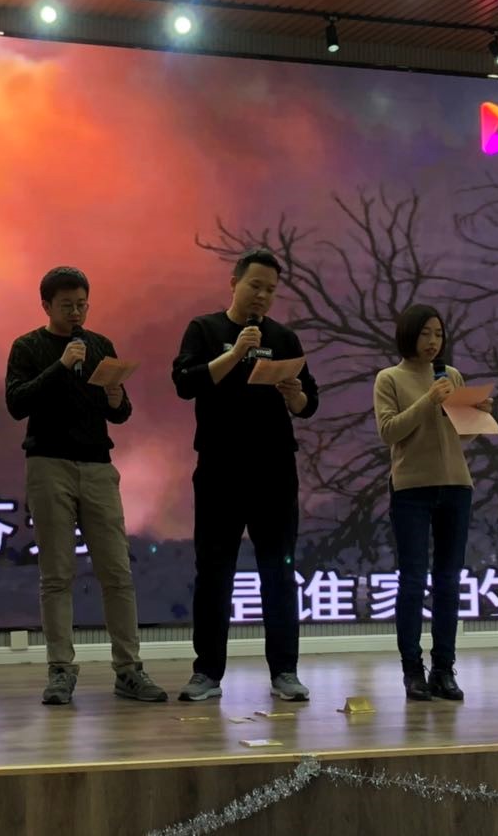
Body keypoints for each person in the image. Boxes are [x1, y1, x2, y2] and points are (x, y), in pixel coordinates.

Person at [4, 266, 168, 706]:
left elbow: (120, 413)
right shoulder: (28, 346)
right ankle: (61, 669)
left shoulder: (100, 346)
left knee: (117, 571)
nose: (76, 312)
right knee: (57, 574)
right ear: (46, 306)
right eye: (67, 305)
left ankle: (129, 669)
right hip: (48, 464)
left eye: (82, 304)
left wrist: (116, 398)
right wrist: (61, 366)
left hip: (98, 465)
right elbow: (17, 402)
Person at [171, 248, 320, 704]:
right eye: (255, 285)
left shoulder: (284, 337)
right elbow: (185, 382)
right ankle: (207, 673)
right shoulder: (205, 329)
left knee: (279, 572)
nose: (262, 295)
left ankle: (285, 671)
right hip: (220, 469)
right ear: (234, 282)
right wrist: (236, 353)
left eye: (271, 290)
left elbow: (309, 403)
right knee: (214, 572)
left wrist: (293, 394)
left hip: (274, 470)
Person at [372, 303, 487, 702]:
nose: (433, 341)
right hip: (412, 488)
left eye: (438, 334)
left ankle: (443, 669)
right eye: (425, 333)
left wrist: (476, 417)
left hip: (456, 485)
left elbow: (460, 437)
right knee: (413, 580)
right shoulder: (389, 378)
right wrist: (428, 400)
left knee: (449, 581)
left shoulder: (451, 375)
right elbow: (389, 431)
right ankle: (412, 670)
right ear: (408, 334)